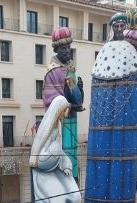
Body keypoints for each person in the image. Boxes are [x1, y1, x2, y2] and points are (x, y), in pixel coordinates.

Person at [82, 8, 137, 203]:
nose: (120, 29)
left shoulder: (130, 53)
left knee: (118, 169)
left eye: (123, 25)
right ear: (113, 28)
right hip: (108, 134)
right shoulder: (107, 52)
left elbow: (135, 83)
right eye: (117, 26)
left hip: (122, 132)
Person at [30, 96, 82, 203]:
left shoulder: (58, 125)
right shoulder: (46, 129)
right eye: (64, 110)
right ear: (58, 110)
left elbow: (59, 150)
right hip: (44, 173)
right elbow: (38, 159)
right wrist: (54, 152)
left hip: (56, 168)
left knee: (76, 197)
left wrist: (66, 165)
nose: (65, 114)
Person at [44, 27, 84, 180]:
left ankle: (73, 181)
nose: (67, 51)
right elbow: (51, 100)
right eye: (63, 48)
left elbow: (78, 99)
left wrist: (79, 90)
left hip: (72, 119)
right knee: (65, 153)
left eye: (68, 47)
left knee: (72, 154)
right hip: (61, 122)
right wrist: (68, 105)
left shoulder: (70, 67)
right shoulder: (53, 71)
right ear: (57, 50)